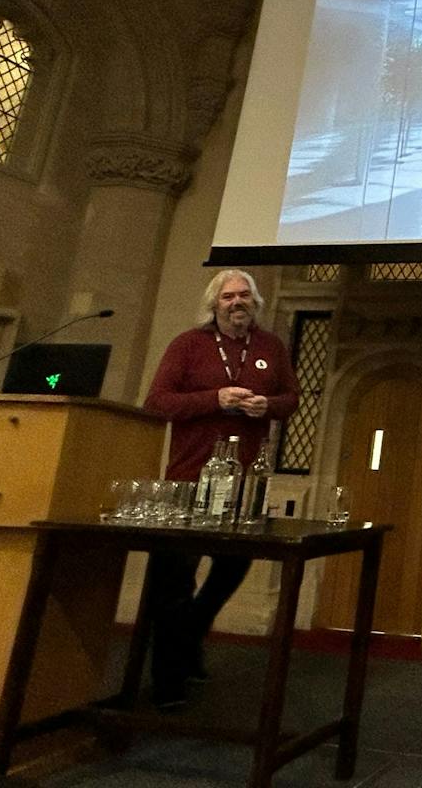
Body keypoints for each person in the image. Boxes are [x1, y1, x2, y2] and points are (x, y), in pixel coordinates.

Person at [141, 269, 298, 708]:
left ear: (255, 302)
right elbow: (158, 402)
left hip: (245, 481)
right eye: (228, 296)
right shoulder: (188, 345)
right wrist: (216, 399)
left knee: (233, 565)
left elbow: (291, 399)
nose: (237, 302)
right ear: (215, 304)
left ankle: (191, 631)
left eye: (244, 295)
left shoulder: (270, 347)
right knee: (174, 579)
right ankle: (169, 680)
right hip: (190, 477)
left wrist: (267, 405)